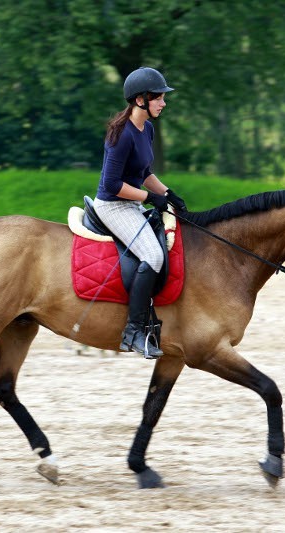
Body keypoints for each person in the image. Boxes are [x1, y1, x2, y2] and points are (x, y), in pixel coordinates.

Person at [93, 67, 188, 359]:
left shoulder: (147, 128)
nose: (163, 103)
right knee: (154, 256)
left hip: (133, 202)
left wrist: (168, 194)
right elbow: (112, 184)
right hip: (112, 205)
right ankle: (133, 331)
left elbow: (145, 172)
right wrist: (150, 198)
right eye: (158, 98)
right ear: (140, 100)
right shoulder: (121, 134)